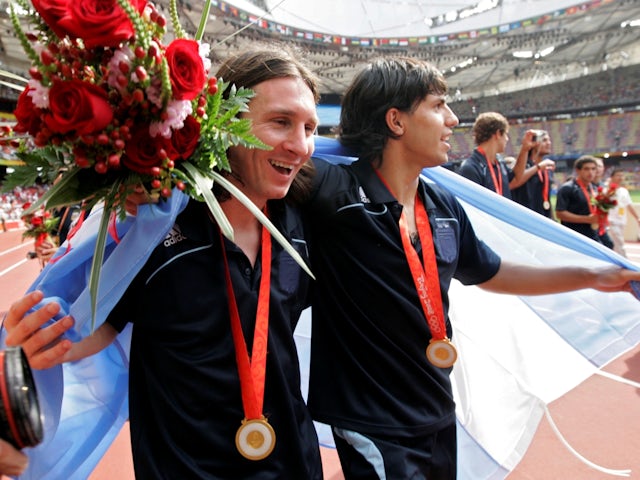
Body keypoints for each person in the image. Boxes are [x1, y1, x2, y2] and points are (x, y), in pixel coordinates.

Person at [303, 57, 640, 479]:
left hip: (437, 409)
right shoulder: (333, 193)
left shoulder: (443, 207)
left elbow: (493, 272)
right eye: (438, 105)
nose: (453, 119)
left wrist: (595, 276)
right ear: (396, 120)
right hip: (371, 420)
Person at [4, 48, 323, 479]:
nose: (300, 146)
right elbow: (101, 324)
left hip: (294, 464)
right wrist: (43, 340)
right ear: (224, 124)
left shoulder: (303, 224)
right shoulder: (154, 222)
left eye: (310, 128)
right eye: (281, 122)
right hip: (184, 469)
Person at [457, 111, 528, 199]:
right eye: (506, 134)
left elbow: (516, 178)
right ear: (498, 134)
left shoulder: (499, 161)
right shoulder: (471, 168)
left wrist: (525, 149)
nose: (507, 139)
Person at [555, 155, 605, 243]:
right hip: (573, 237)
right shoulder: (567, 188)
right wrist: (586, 219)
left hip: (593, 235)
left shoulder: (594, 189)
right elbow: (560, 213)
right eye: (586, 169)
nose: (590, 172)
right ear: (578, 170)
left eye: (593, 169)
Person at [509, 129, 557, 218]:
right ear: (534, 143)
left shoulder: (546, 168)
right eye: (544, 140)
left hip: (543, 218)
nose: (549, 143)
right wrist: (537, 167)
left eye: (549, 140)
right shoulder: (521, 165)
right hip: (524, 217)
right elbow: (514, 182)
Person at [607, 168, 640, 257]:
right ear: (612, 177)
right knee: (619, 243)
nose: (620, 177)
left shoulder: (623, 191)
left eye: (622, 175)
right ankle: (625, 262)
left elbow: (629, 205)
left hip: (621, 221)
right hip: (610, 221)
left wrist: (637, 218)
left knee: (616, 243)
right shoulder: (607, 190)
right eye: (618, 175)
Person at [593, 156, 615, 248]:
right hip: (590, 224)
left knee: (609, 245)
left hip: (601, 224)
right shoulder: (585, 185)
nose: (598, 169)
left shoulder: (603, 186)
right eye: (595, 166)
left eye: (600, 166)